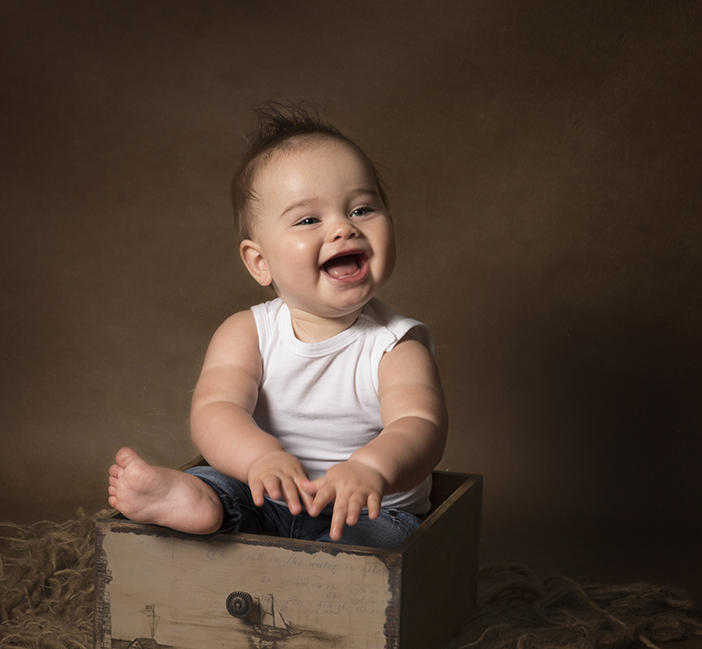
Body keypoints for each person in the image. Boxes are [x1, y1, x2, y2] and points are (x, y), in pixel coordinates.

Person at [107, 106, 447, 549]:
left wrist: (373, 468)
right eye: (309, 219)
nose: (344, 228)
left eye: (362, 209)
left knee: (380, 539)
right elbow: (216, 410)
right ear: (260, 262)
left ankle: (329, 560)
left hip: (365, 510)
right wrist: (261, 457)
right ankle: (195, 500)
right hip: (265, 494)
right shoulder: (247, 332)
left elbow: (420, 424)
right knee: (218, 482)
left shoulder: (394, 346)